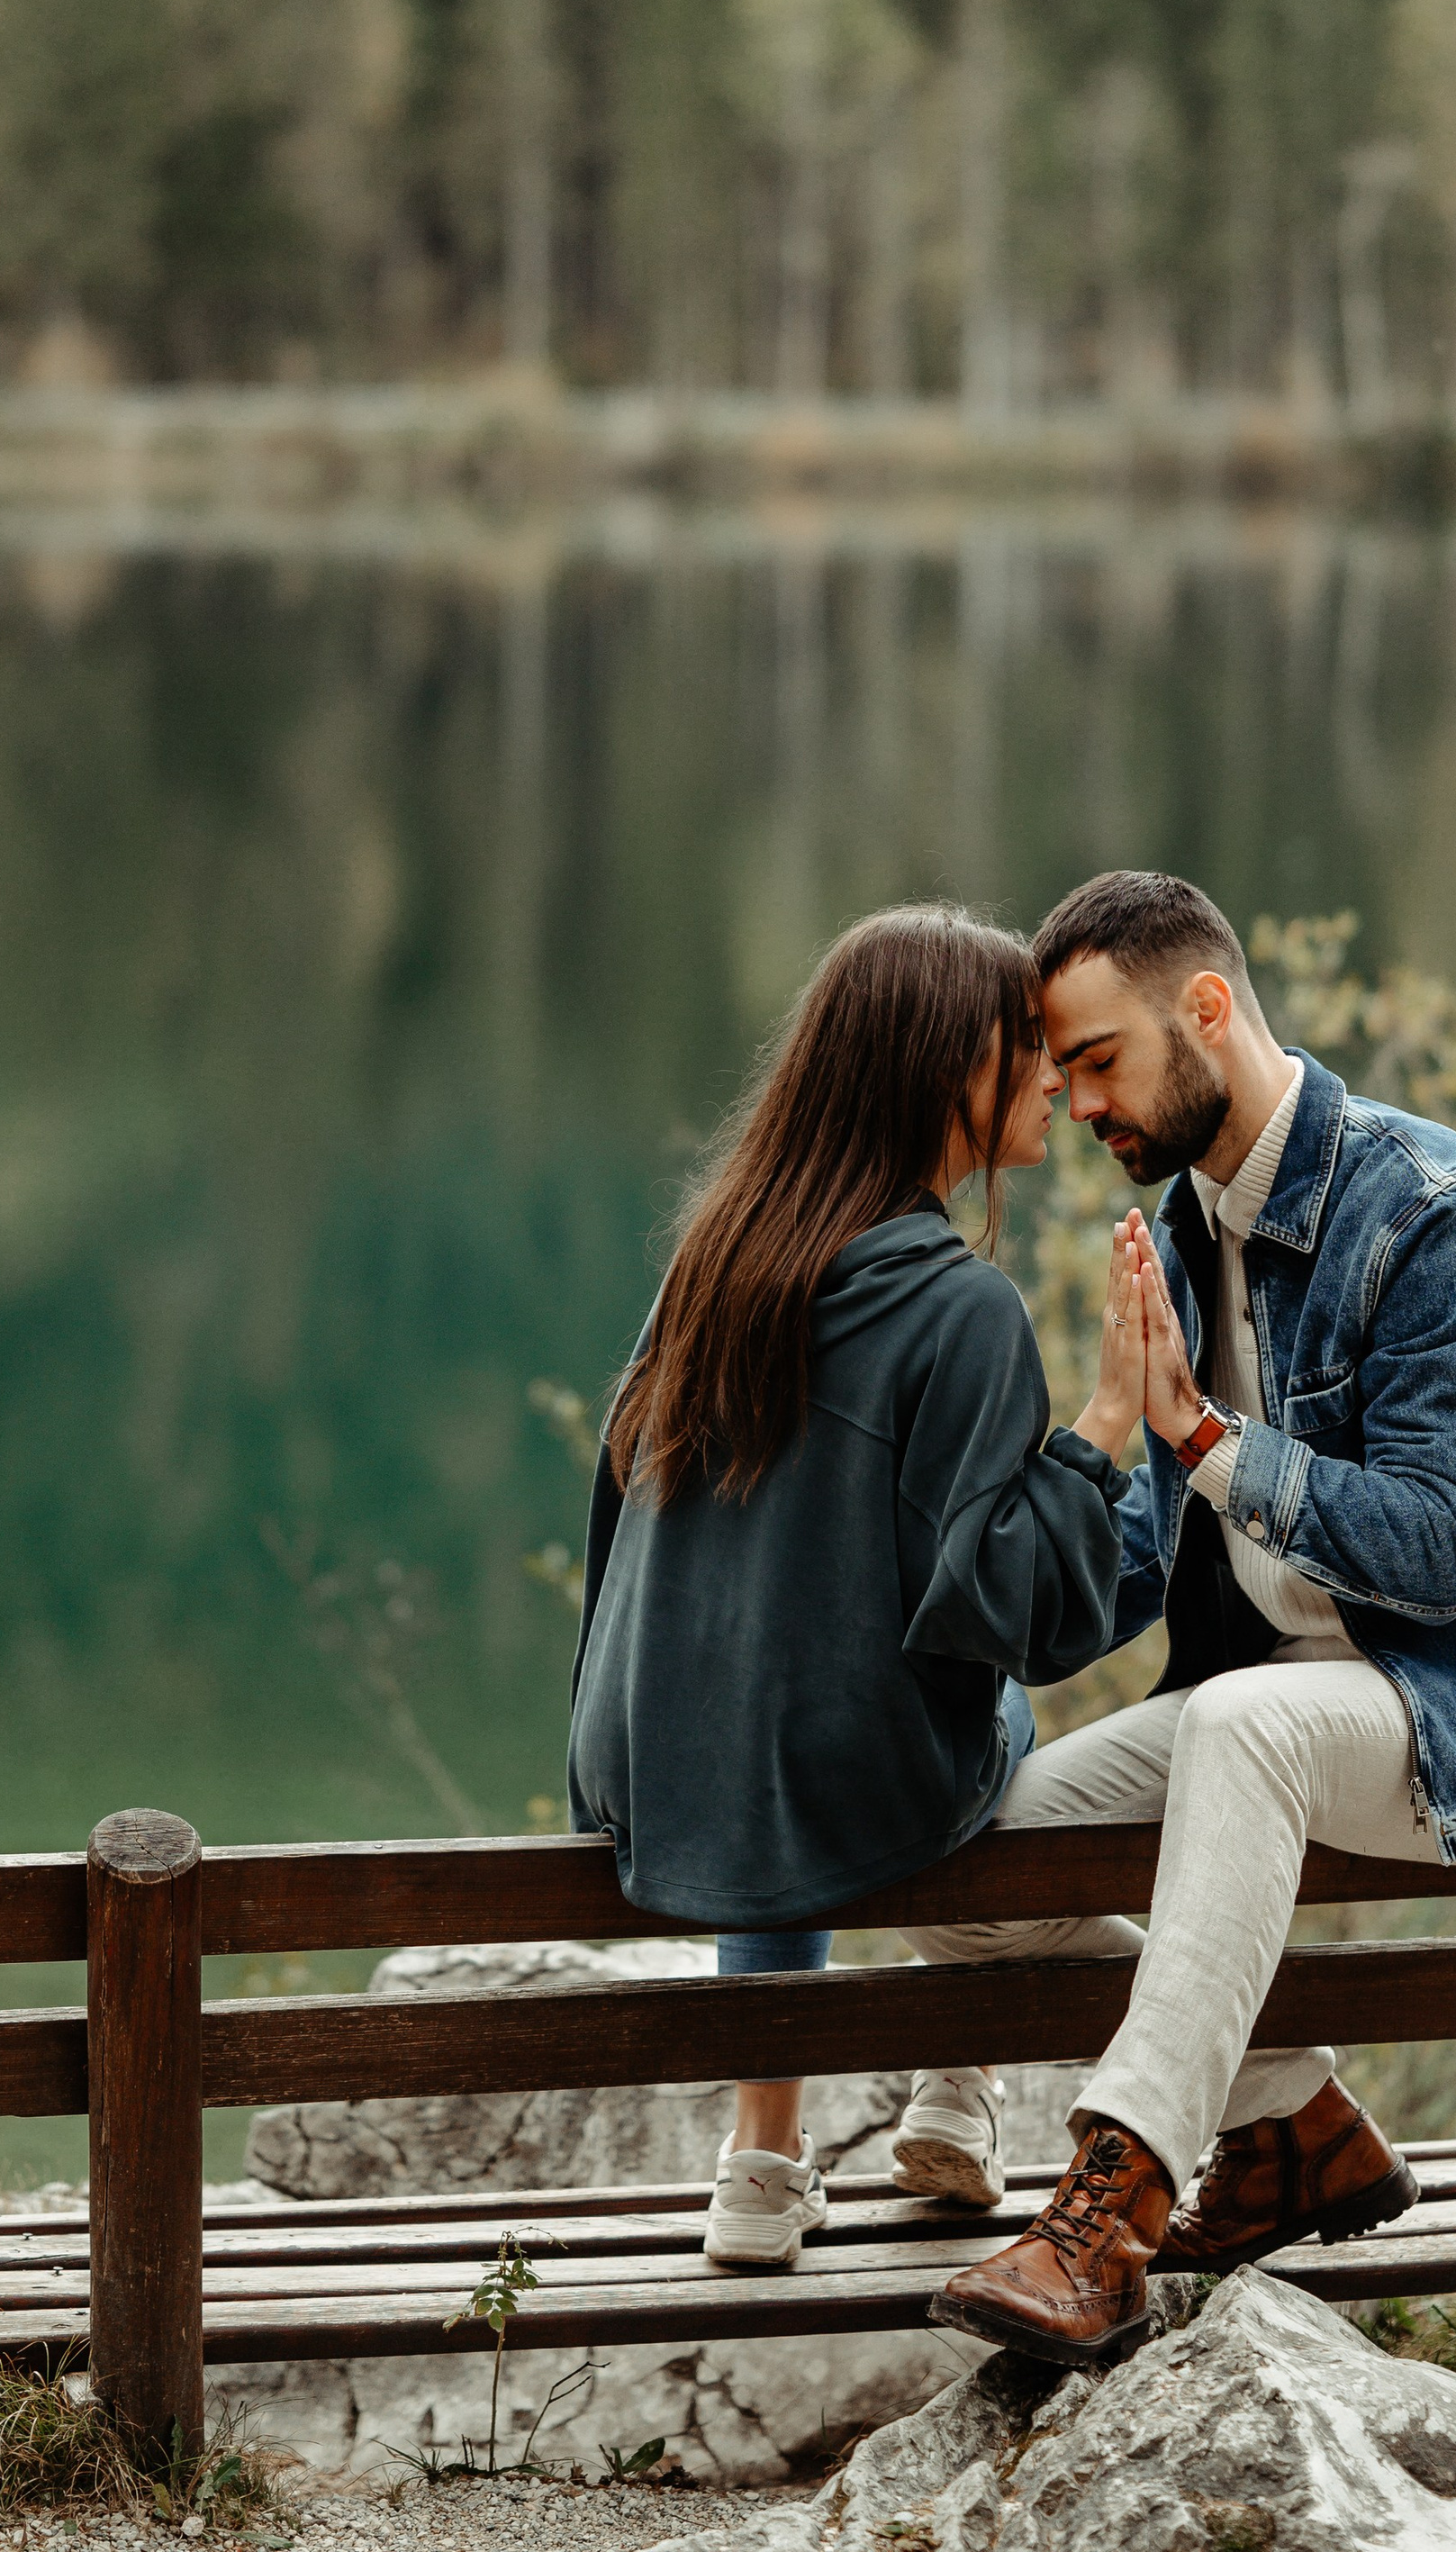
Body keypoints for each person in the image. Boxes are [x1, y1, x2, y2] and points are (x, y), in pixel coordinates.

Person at [920, 870, 1456, 2368]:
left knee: (1247, 1728)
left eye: (1099, 1062)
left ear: (1208, 1010)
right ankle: (1293, 2125)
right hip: (1286, 1696)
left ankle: (1108, 2216)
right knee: (970, 1860)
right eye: (1057, 1077)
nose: (1077, 1108)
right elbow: (1147, 1543)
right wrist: (973, 1601)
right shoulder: (1190, 1221)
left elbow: (1447, 1550)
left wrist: (1207, 1444)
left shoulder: (1439, 1209)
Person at [568, 902, 1150, 2273]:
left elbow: (624, 1535)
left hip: (651, 1761)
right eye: (1028, 1053)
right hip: (835, 1782)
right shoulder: (962, 1311)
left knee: (795, 1694)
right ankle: (959, 2069)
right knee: (989, 1719)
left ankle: (761, 2163)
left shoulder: (711, 1265)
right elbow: (1012, 1613)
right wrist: (1109, 1430)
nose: (1059, 1087)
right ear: (945, 1066)